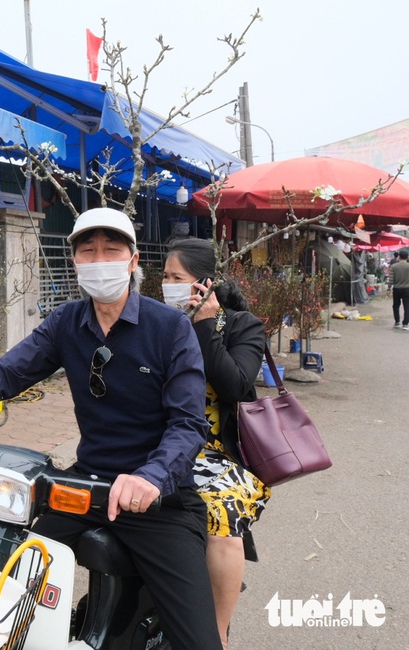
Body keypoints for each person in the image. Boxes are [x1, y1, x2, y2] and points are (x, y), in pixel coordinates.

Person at [0, 207, 222, 650]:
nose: (99, 261)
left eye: (111, 251)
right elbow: (6, 373)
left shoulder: (170, 328)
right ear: (74, 262)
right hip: (83, 487)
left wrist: (151, 478)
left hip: (159, 501)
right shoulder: (66, 323)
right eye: (88, 252)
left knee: (199, 642)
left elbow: (188, 424)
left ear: (133, 261)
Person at [162, 239, 270, 649]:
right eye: (165, 278)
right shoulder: (159, 323)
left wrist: (205, 326)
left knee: (222, 522)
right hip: (161, 446)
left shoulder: (242, 326)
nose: (167, 286)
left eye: (177, 279)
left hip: (216, 455)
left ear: (204, 284)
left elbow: (238, 387)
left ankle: (217, 635)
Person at [386, 249, 409, 329]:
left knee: (396, 306)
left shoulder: (393, 266)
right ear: (407, 257)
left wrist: (389, 289)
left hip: (397, 289)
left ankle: (397, 322)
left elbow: (391, 279)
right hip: (407, 289)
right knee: (407, 307)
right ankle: (405, 324)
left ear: (399, 257)